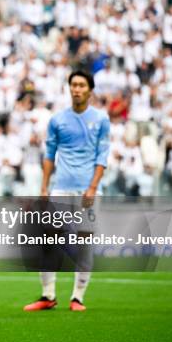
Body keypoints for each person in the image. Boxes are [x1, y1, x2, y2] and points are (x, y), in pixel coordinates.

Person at [24, 70, 110, 312]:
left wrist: (93, 187)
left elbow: (102, 156)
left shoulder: (101, 119)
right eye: (73, 84)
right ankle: (48, 295)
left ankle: (77, 298)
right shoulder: (57, 120)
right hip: (61, 187)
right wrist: (44, 187)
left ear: (90, 90)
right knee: (49, 238)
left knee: (84, 242)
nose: (77, 89)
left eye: (82, 85)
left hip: (88, 190)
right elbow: (50, 155)